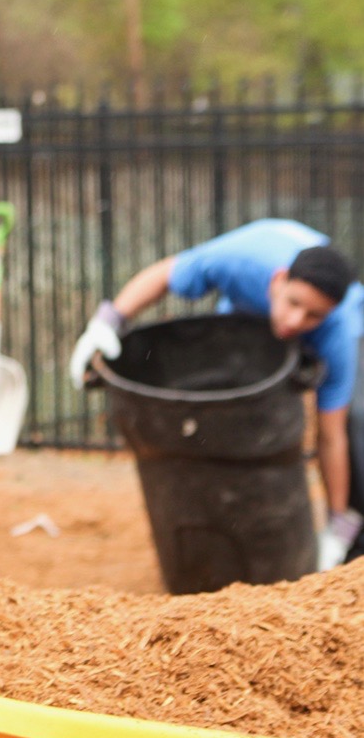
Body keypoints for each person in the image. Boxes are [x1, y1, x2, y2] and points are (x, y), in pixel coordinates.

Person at [67, 218, 363, 570]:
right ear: (278, 281)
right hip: (244, 314)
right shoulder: (239, 262)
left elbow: (331, 436)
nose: (296, 321)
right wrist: (107, 322)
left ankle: (353, 537)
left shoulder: (337, 329)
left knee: (356, 423)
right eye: (294, 303)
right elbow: (164, 275)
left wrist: (336, 525)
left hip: (328, 321)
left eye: (312, 315)